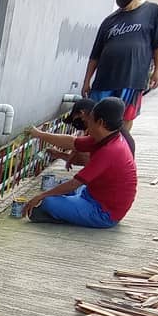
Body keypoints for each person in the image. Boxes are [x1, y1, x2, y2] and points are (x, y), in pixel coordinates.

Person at [23, 97, 137, 228]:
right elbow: (72, 142)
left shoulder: (110, 150)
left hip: (104, 212)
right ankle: (69, 208)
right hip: (92, 194)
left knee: (48, 202)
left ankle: (63, 213)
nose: (87, 123)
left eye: (90, 119)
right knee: (59, 186)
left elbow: (74, 183)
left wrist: (40, 196)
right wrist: (39, 134)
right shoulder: (106, 137)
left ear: (100, 122)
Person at [83, 0, 158, 132]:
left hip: (132, 79)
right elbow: (95, 55)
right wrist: (87, 81)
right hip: (104, 80)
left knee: (125, 118)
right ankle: (93, 147)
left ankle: (119, 145)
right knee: (95, 118)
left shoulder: (152, 11)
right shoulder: (110, 21)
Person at [46, 98, 135, 167]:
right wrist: (63, 155)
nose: (82, 123)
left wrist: (62, 155)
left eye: (80, 119)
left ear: (83, 114)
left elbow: (80, 152)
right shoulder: (107, 125)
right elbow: (78, 144)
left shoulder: (101, 131)